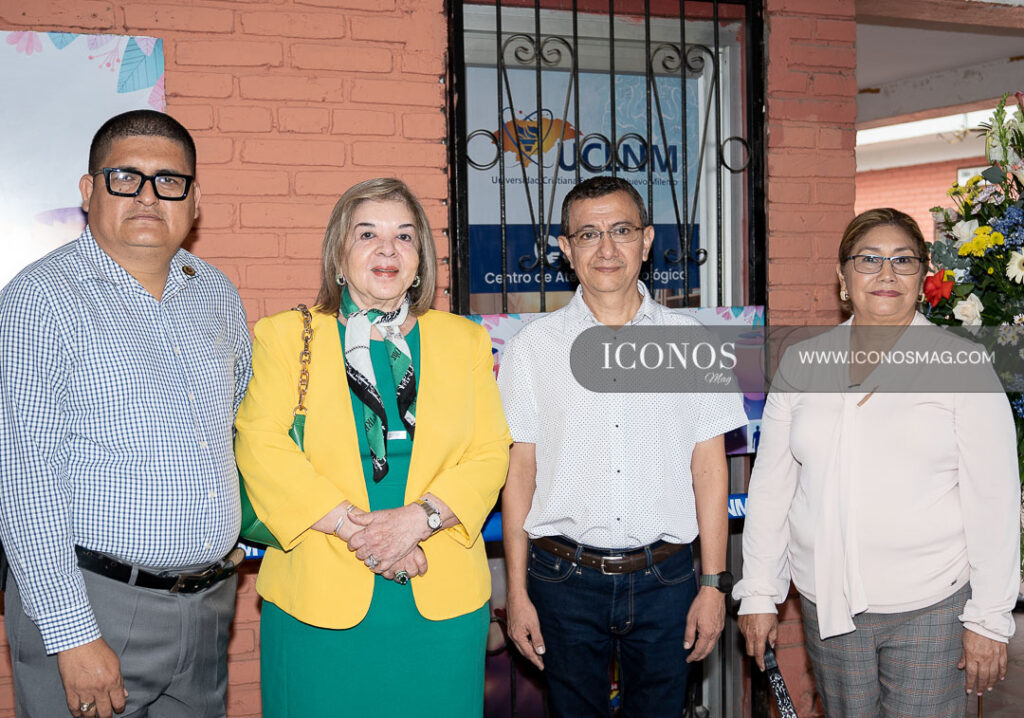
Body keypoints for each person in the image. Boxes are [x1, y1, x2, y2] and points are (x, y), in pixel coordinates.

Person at [0, 110, 251, 718]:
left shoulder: (214, 292)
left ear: (194, 200)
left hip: (209, 606)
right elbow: (26, 479)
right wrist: (70, 632)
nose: (147, 195)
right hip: (95, 608)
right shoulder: (39, 299)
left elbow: (237, 420)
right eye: (124, 178)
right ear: (89, 192)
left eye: (169, 181)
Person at [234, 177, 510, 717]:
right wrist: (365, 534)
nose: (388, 249)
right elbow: (262, 446)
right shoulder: (285, 336)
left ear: (421, 259)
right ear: (339, 255)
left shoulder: (465, 341)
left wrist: (417, 522)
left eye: (405, 237)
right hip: (319, 596)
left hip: (440, 591)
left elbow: (490, 451)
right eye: (368, 234)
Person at [734, 208, 1022, 717]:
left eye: (902, 260)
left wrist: (990, 617)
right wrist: (759, 592)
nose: (886, 274)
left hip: (933, 606)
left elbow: (995, 500)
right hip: (828, 603)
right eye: (868, 259)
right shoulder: (803, 364)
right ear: (842, 276)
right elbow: (773, 489)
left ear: (922, 275)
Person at [497, 175, 748, 717]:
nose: (606, 249)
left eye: (621, 230)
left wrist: (713, 584)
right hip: (561, 580)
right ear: (565, 249)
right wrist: (516, 593)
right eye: (588, 235)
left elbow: (711, 470)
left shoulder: (693, 344)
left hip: (669, 580)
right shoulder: (531, 349)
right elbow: (519, 474)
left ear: (648, 239)